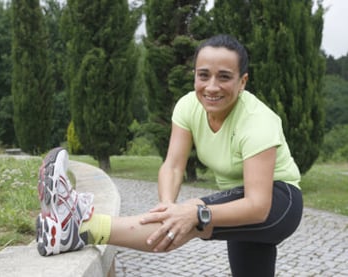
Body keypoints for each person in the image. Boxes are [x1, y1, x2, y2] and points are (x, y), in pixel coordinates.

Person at [35, 34, 303, 277]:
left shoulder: (258, 122)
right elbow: (173, 166)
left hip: (278, 202)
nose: (211, 87)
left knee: (186, 220)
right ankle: (74, 226)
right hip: (239, 201)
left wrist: (195, 213)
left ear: (242, 81)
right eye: (203, 75)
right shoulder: (189, 106)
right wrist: (167, 205)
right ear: (194, 76)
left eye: (224, 77)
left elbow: (258, 205)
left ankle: (80, 228)